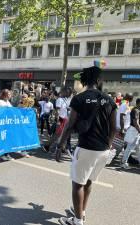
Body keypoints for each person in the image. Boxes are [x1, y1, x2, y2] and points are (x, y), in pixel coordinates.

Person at [56, 66, 117, 225]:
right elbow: (114, 128)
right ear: (98, 80)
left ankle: (77, 221)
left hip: (86, 148)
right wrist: (108, 146)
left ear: (85, 80)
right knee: (89, 182)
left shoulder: (79, 98)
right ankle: (81, 212)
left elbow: (70, 125)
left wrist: (59, 146)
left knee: (77, 185)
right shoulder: (109, 99)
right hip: (103, 150)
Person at [121, 98, 140, 169]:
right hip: (134, 131)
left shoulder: (137, 110)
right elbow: (136, 122)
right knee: (129, 147)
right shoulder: (136, 110)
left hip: (135, 130)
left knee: (138, 147)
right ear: (138, 103)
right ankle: (123, 162)